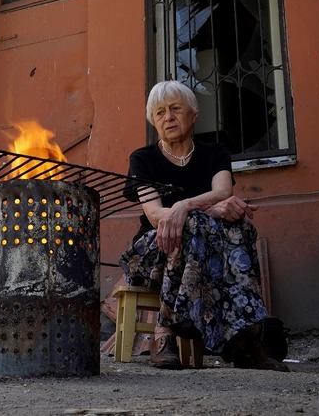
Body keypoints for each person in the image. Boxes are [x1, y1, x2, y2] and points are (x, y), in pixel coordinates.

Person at [119, 80, 288, 371]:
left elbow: (224, 193)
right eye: (159, 113)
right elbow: (155, 215)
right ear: (153, 122)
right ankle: (167, 332)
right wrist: (196, 210)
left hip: (206, 250)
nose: (168, 117)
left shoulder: (215, 152)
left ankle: (247, 335)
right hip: (152, 252)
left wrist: (185, 205)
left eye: (175, 109)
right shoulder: (142, 159)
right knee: (195, 224)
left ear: (194, 114)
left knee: (241, 226)